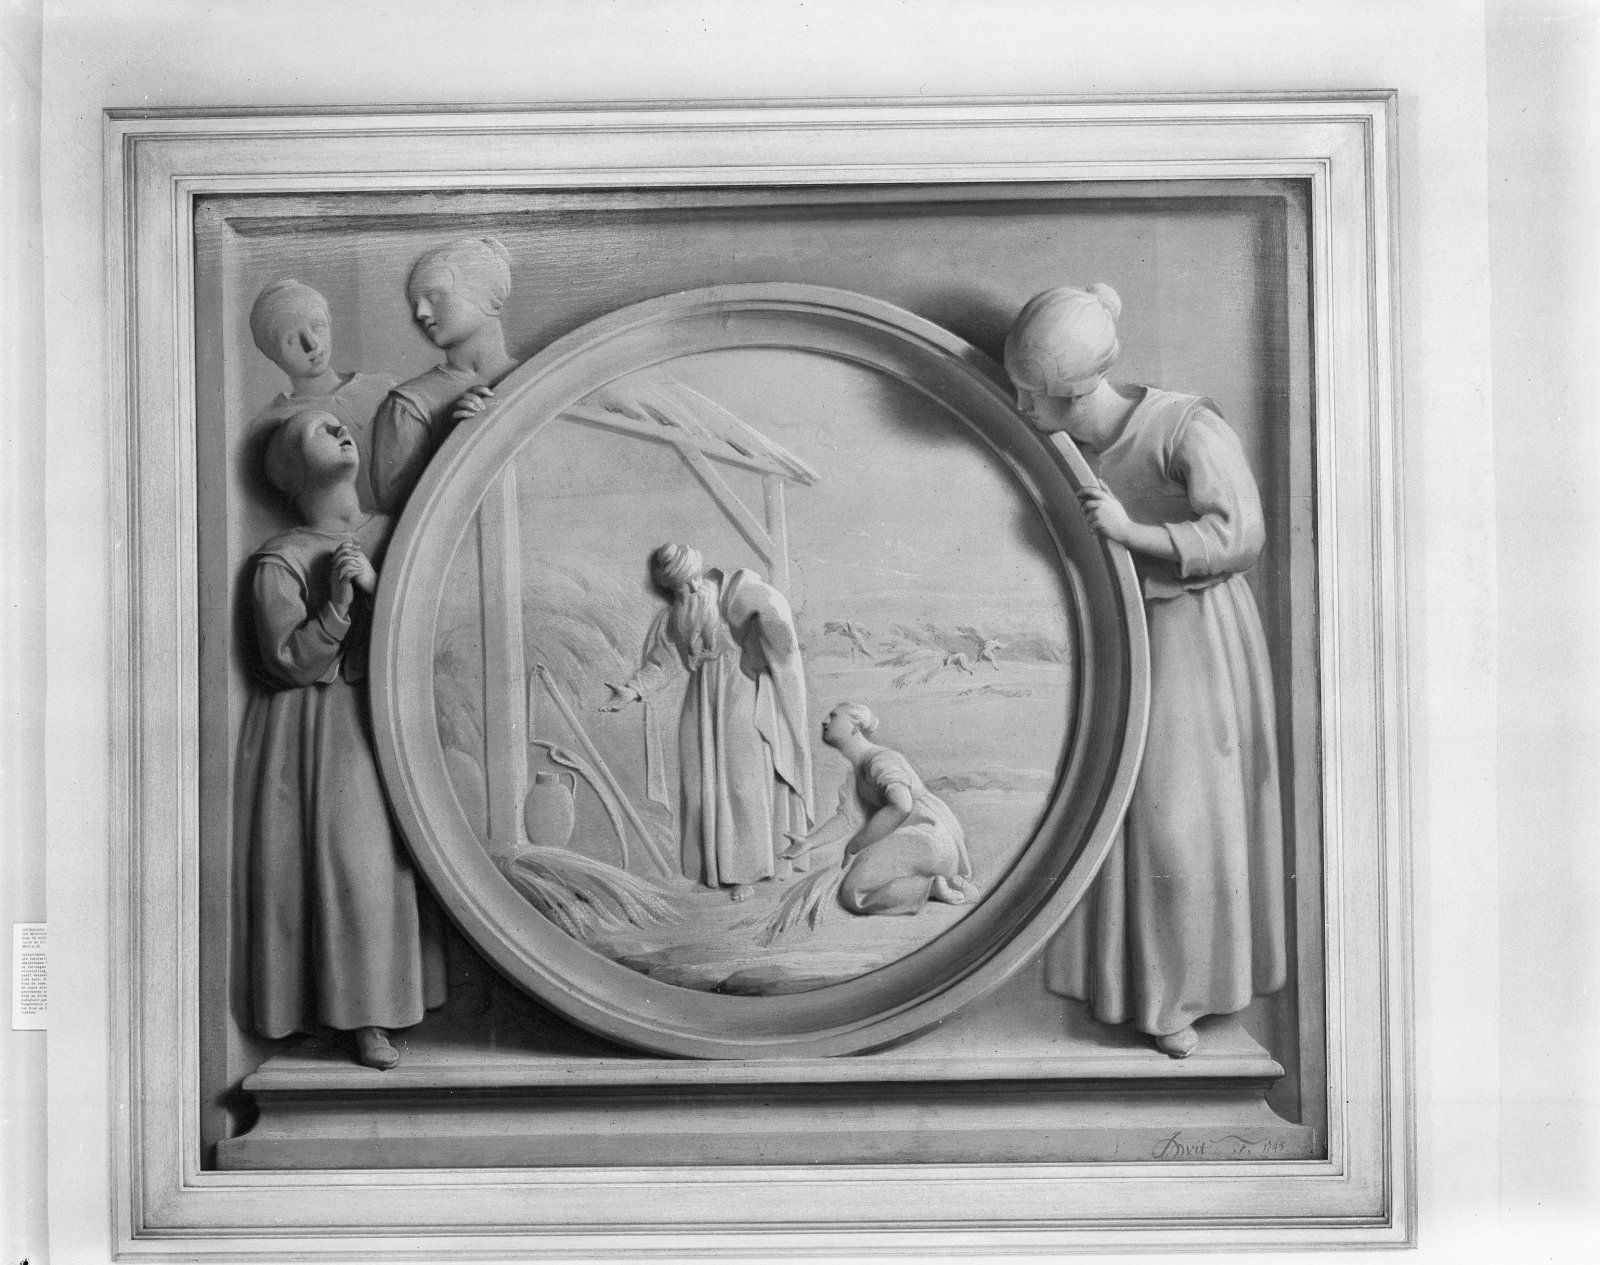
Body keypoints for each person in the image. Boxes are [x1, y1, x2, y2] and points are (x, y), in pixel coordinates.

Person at [1006, 283, 1287, 1059]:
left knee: (1176, 821)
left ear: (1073, 391)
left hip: (1192, 638)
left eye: (1031, 394)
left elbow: (1240, 535)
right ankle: (1129, 988)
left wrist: (1133, 533)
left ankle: (1178, 997)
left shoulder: (1185, 428)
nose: (1021, 406)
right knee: (1110, 809)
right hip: (1120, 637)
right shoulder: (1067, 438)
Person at [236, 409, 446, 1069]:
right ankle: (360, 1017)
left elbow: (435, 619)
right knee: (354, 866)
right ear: (295, 470)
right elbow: (287, 661)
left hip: (394, 719)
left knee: (403, 861)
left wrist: (378, 587)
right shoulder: (280, 559)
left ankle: (387, 1001)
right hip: (327, 730)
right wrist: (337, 605)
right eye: (319, 431)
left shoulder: (397, 531)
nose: (340, 431)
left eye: (339, 424)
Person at [601, 543, 814, 901]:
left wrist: (766, 639)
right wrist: (633, 689)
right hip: (701, 702)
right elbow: (665, 661)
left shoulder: (737, 594)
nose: (689, 591)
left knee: (744, 785)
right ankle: (712, 869)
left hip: (742, 695)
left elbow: (776, 622)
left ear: (699, 574)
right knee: (701, 784)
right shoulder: (678, 614)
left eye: (691, 582)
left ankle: (747, 871)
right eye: (679, 589)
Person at [780, 703, 977, 915]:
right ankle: (936, 882)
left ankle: (931, 887)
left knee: (854, 892)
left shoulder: (879, 760)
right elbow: (848, 819)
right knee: (855, 887)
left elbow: (901, 805)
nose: (825, 721)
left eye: (834, 716)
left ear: (855, 727)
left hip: (928, 836)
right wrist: (810, 842)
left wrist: (855, 845)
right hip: (921, 842)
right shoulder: (857, 773)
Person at [370, 236, 518, 512]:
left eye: (434, 296)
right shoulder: (408, 405)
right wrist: (452, 442)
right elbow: (397, 516)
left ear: (484, 294)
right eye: (415, 303)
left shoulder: (537, 378)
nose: (420, 313)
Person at [246, 279, 395, 512]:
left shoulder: (383, 388)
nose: (311, 345)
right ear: (273, 354)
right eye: (292, 340)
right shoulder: (274, 424)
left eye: (317, 326)